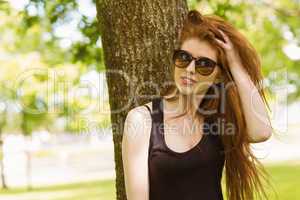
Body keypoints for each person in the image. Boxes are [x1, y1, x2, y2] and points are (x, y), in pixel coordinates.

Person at [122, 9, 273, 200]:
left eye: (204, 64)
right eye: (184, 58)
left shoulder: (219, 120)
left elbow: (261, 132)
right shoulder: (141, 120)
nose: (190, 69)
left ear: (218, 76)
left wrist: (235, 65)